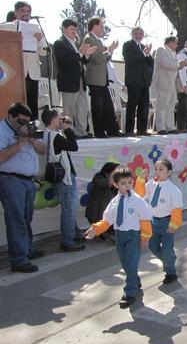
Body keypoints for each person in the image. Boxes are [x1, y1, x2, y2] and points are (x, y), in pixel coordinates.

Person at [84, 167, 153, 308]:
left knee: (131, 262)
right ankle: (135, 280)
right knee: (125, 263)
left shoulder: (137, 201)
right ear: (116, 185)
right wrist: (95, 229)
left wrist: (145, 236)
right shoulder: (114, 202)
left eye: (129, 182)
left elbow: (145, 219)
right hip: (120, 235)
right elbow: (107, 220)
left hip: (133, 235)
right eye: (123, 183)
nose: (127, 185)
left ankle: (130, 293)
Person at [0, 102, 46, 273]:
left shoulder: (28, 129)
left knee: (26, 218)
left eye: (26, 121)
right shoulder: (2, 130)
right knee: (16, 219)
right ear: (11, 116)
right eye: (20, 121)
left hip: (28, 181)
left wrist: (32, 139)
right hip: (10, 180)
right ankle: (19, 259)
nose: (23, 125)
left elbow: (43, 150)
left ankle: (27, 250)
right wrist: (19, 142)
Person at [42, 107, 84, 253]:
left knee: (69, 209)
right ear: (53, 120)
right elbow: (74, 146)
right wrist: (68, 129)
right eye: (59, 118)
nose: (61, 120)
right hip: (64, 179)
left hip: (57, 177)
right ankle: (67, 242)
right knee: (68, 210)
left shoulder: (46, 134)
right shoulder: (56, 137)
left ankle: (76, 234)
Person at [135, 159, 183, 284]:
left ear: (169, 172)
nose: (157, 171)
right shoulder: (151, 184)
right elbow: (140, 194)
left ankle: (170, 273)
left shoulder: (173, 190)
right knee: (153, 246)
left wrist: (174, 224)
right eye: (156, 169)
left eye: (161, 169)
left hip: (167, 222)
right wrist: (140, 179)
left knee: (167, 248)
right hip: (153, 221)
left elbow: (177, 208)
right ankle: (169, 260)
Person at [0, 2, 47, 120]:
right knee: (17, 101)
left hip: (33, 71)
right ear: (15, 12)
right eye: (22, 11)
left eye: (28, 11)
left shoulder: (36, 29)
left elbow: (44, 52)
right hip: (15, 70)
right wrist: (14, 40)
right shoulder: (6, 26)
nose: (26, 14)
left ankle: (32, 128)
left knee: (32, 101)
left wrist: (40, 39)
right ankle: (16, 128)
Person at [53, 19, 96, 138]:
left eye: (75, 29)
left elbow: (80, 61)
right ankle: (68, 133)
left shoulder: (75, 43)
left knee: (82, 108)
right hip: (69, 81)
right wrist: (80, 53)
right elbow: (63, 61)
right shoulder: (59, 43)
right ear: (64, 29)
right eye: (72, 29)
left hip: (80, 81)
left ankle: (81, 132)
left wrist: (87, 55)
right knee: (69, 110)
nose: (74, 31)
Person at [82, 17, 124, 138]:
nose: (102, 29)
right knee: (98, 107)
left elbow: (105, 58)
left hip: (102, 79)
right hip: (95, 79)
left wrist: (110, 52)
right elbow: (97, 59)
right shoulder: (88, 38)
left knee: (107, 106)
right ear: (94, 26)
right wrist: (109, 50)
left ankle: (112, 130)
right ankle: (99, 131)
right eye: (101, 26)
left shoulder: (98, 40)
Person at [151, 36, 187, 134]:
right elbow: (165, 63)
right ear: (170, 43)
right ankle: (160, 127)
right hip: (162, 82)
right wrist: (179, 64)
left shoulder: (174, 53)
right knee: (161, 105)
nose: (176, 45)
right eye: (175, 43)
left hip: (171, 83)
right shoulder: (161, 50)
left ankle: (170, 126)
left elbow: (174, 66)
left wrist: (180, 66)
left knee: (171, 106)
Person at [122, 26, 154, 136]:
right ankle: (129, 130)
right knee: (132, 106)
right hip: (133, 81)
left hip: (144, 82)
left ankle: (142, 129)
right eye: (136, 33)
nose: (138, 35)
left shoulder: (144, 47)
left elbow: (150, 64)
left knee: (144, 107)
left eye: (141, 33)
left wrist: (148, 54)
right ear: (132, 34)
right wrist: (143, 54)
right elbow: (130, 60)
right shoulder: (127, 45)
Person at [85, 161, 118, 240]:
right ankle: (102, 233)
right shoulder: (99, 179)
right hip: (96, 215)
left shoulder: (112, 183)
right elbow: (106, 183)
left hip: (104, 215)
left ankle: (105, 232)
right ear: (107, 174)